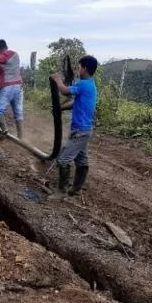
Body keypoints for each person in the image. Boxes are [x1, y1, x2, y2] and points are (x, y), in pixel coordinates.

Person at [48, 55, 99, 201]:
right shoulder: (90, 85)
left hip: (80, 131)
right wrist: (61, 108)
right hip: (84, 129)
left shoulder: (84, 84)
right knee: (81, 161)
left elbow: (64, 91)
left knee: (63, 159)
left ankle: (61, 192)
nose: (77, 69)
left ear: (85, 68)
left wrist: (58, 80)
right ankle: (75, 190)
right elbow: (75, 102)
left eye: (79, 67)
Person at [0, 39, 24, 139]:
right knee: (18, 111)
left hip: (6, 87)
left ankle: (4, 129)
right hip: (18, 86)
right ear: (6, 46)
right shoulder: (15, 55)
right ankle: (20, 136)